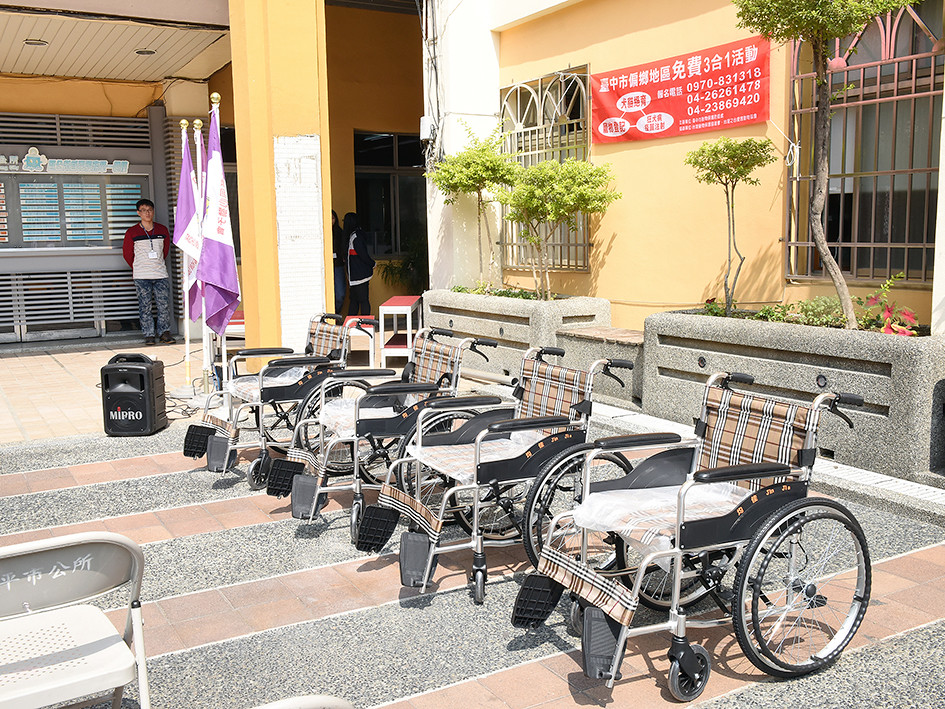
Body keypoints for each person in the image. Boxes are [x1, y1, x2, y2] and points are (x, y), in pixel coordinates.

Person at [122, 198, 175, 345]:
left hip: (160, 274)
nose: (147, 213)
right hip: (141, 275)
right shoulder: (132, 232)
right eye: (144, 210)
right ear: (138, 213)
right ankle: (149, 334)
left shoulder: (162, 230)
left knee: (163, 305)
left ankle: (164, 332)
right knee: (144, 306)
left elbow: (164, 251)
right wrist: (139, 267)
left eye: (150, 210)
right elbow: (127, 254)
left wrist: (155, 263)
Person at [344, 212, 375, 316]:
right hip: (356, 276)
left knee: (361, 301)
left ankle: (364, 325)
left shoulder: (355, 237)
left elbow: (363, 255)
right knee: (356, 301)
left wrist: (372, 263)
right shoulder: (354, 236)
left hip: (358, 276)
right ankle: (354, 326)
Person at [332, 209, 347, 314]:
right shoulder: (321, 232)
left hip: (338, 266)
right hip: (324, 267)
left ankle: (336, 314)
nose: (331, 221)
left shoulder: (339, 232)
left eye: (332, 218)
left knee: (340, 295)